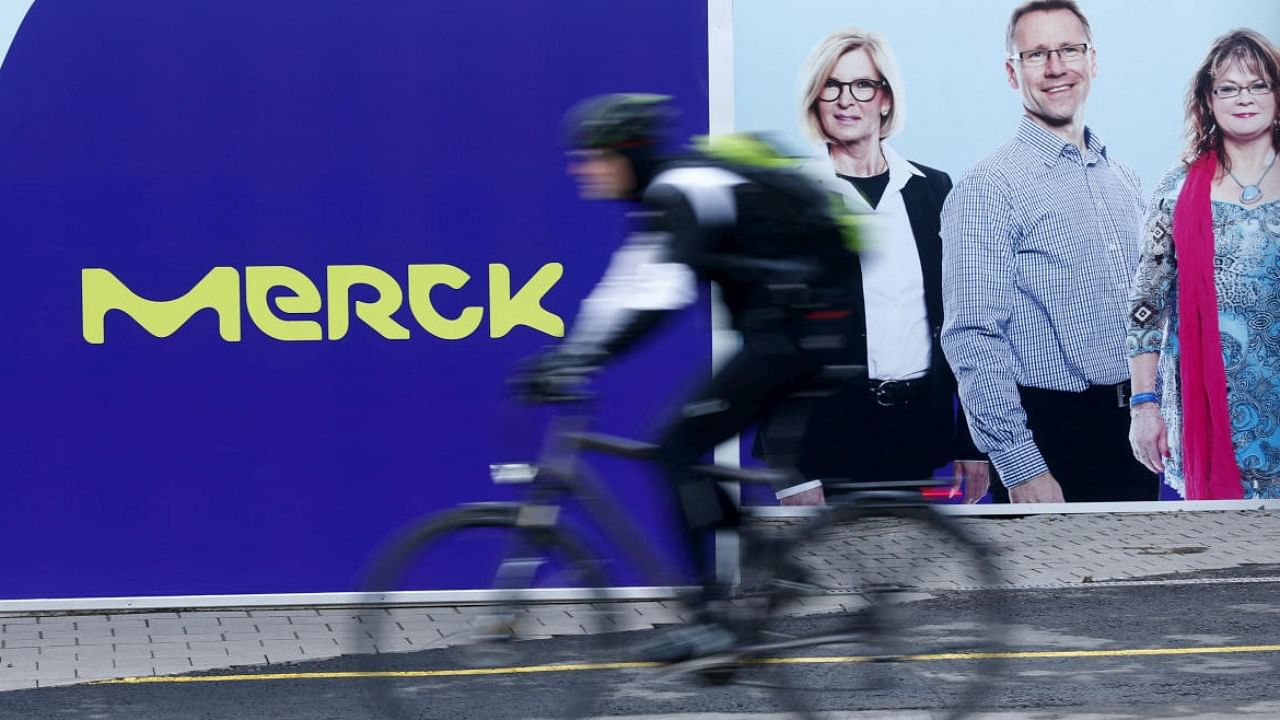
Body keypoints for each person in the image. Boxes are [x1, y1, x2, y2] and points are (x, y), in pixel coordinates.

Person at [518, 94, 863, 658]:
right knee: (680, 448)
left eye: (593, 157)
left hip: (806, 331)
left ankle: (712, 617)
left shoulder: (681, 188)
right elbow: (623, 289)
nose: (581, 168)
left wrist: (580, 360)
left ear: (626, 153)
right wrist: (570, 352)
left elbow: (660, 299)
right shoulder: (667, 193)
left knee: (677, 448)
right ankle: (770, 569)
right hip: (794, 329)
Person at [940, 0, 1158, 503]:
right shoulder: (988, 187)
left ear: (1093, 61)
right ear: (1012, 73)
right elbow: (972, 335)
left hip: (1133, 432)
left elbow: (1150, 315)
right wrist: (1020, 466)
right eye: (1037, 54)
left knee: (1142, 581)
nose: (1057, 67)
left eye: (1069, 49)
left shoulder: (1125, 180)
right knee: (1047, 585)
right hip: (1052, 437)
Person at [759, 27, 987, 501]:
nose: (846, 100)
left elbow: (966, 323)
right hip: (825, 440)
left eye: (862, 85)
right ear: (815, 99)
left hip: (919, 435)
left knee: (917, 573)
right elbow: (768, 341)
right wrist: (792, 470)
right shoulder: (788, 200)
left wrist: (974, 440)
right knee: (833, 574)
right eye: (831, 85)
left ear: (885, 98)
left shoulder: (934, 191)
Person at [1127, 29, 1280, 500]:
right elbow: (1146, 305)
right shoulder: (1176, 190)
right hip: (1207, 418)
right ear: (1208, 101)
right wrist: (1143, 406)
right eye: (1228, 88)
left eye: (1258, 85)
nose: (1244, 99)